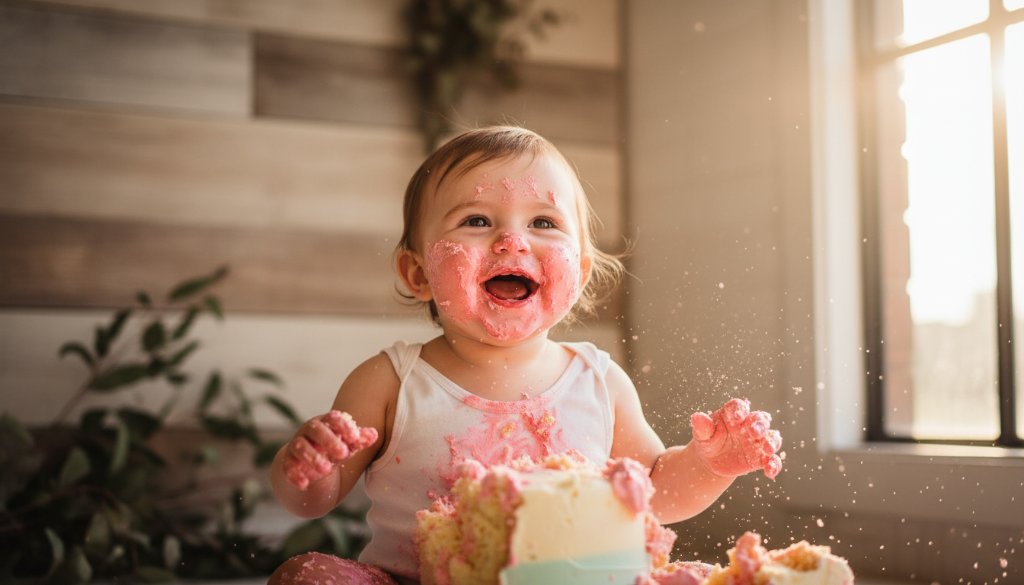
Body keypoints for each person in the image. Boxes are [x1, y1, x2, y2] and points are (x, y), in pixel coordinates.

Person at [268, 126, 783, 584]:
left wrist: (712, 464)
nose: (512, 241)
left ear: (579, 274)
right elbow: (316, 501)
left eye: (542, 223)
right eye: (475, 220)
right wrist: (308, 471)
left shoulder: (598, 381)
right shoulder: (391, 382)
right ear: (418, 273)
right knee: (307, 576)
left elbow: (655, 495)